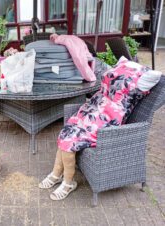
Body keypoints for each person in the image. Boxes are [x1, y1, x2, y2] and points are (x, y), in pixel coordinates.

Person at [38, 57, 162, 201]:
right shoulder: (122, 64)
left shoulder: (146, 78)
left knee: (67, 141)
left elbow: (124, 101)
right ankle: (56, 174)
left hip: (107, 121)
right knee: (66, 133)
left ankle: (68, 183)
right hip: (94, 111)